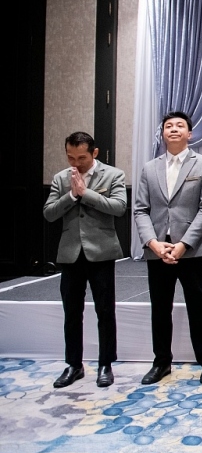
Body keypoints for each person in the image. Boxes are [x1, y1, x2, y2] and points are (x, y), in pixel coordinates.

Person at [134, 111, 202, 385]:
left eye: (179, 126)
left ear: (189, 134)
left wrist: (183, 244)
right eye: (168, 126)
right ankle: (161, 362)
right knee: (160, 308)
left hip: (189, 250)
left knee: (198, 306)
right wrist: (153, 243)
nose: (173, 129)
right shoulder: (149, 168)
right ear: (162, 133)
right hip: (157, 250)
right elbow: (140, 210)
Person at [42, 131, 127, 388]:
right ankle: (73, 365)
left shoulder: (113, 175)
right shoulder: (61, 178)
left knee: (105, 311)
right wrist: (71, 195)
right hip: (70, 254)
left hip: (101, 252)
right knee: (71, 312)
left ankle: (105, 364)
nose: (76, 163)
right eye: (71, 157)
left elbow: (119, 207)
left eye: (81, 158)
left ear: (94, 153)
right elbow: (49, 213)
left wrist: (85, 193)